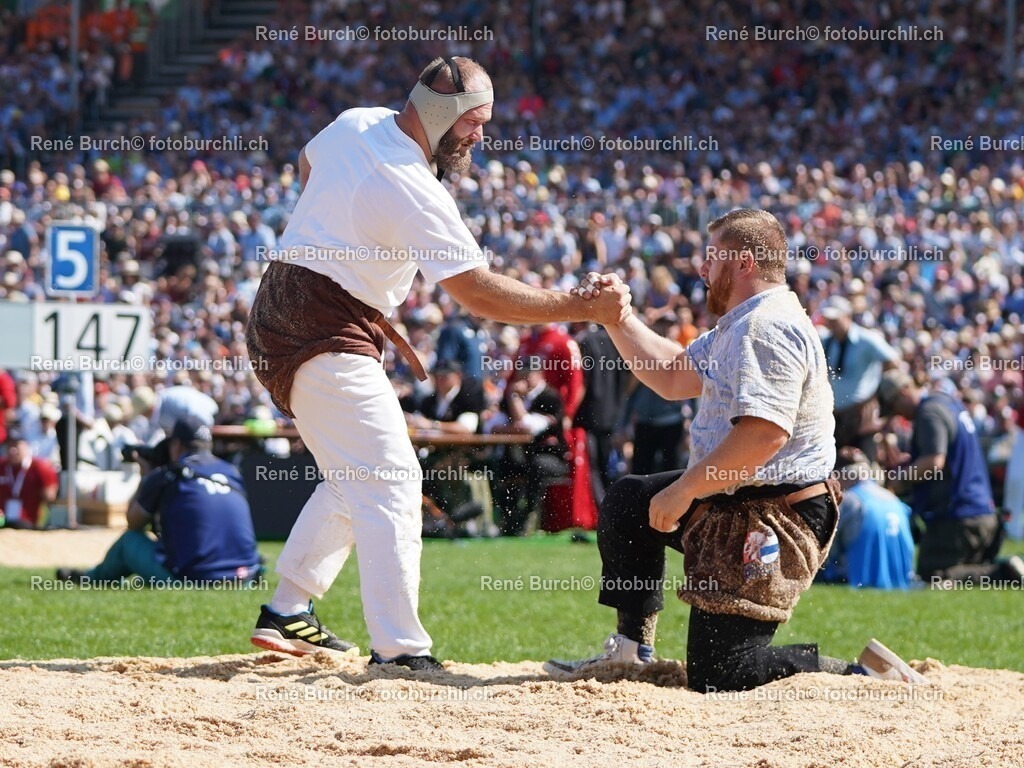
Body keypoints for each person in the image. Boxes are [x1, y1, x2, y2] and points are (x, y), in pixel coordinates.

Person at [244, 55, 630, 669]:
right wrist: (577, 305)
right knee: (394, 478)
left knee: (358, 476)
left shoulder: (357, 120)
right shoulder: (414, 187)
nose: (481, 135)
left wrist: (344, 225)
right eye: (475, 122)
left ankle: (288, 610)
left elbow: (307, 165)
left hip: (284, 311)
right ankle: (400, 651)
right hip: (324, 328)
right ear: (442, 116)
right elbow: (476, 292)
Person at [548, 209, 926, 690]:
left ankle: (861, 675)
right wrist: (618, 318)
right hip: (741, 495)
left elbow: (764, 434)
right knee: (629, 502)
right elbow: (671, 375)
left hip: (776, 514)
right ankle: (630, 652)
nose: (703, 270)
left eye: (712, 258)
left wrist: (684, 490)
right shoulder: (740, 324)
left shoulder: (765, 327)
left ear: (743, 262)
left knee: (723, 673)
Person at [56, 421, 262, 586]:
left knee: (129, 542)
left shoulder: (169, 474)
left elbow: (133, 522)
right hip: (245, 576)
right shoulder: (231, 472)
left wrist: (145, 478)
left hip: (196, 578)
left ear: (176, 445)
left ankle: (91, 579)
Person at [877, 370, 1024, 587]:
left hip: (959, 518)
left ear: (904, 391)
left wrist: (897, 482)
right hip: (983, 516)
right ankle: (994, 568)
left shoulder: (929, 412)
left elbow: (934, 461)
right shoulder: (946, 402)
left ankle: (1002, 573)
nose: (898, 415)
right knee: (953, 568)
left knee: (931, 574)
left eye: (894, 406)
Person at [489, 360, 570, 535]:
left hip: (550, 456)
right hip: (521, 454)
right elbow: (494, 426)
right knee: (501, 465)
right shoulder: (510, 397)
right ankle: (506, 518)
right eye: (521, 375)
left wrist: (515, 400)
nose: (524, 379)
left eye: (528, 374)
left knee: (536, 466)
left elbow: (528, 427)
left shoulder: (550, 397)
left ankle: (529, 517)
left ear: (539, 374)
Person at [820, 448, 915, 589]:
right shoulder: (894, 499)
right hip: (901, 578)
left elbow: (827, 549)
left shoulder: (850, 501)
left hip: (857, 577)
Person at [818, 295, 899, 456]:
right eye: (829, 319)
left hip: (861, 415)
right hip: (835, 416)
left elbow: (893, 361)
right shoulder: (826, 340)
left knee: (863, 464)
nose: (831, 324)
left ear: (847, 316)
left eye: (835, 319)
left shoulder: (866, 339)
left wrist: (876, 391)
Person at [0, 428, 59, 528]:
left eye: (16, 445)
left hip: (29, 522)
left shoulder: (40, 467)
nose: (12, 450)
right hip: (4, 520)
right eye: (9, 446)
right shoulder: (2, 465)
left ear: (26, 446)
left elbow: (50, 496)